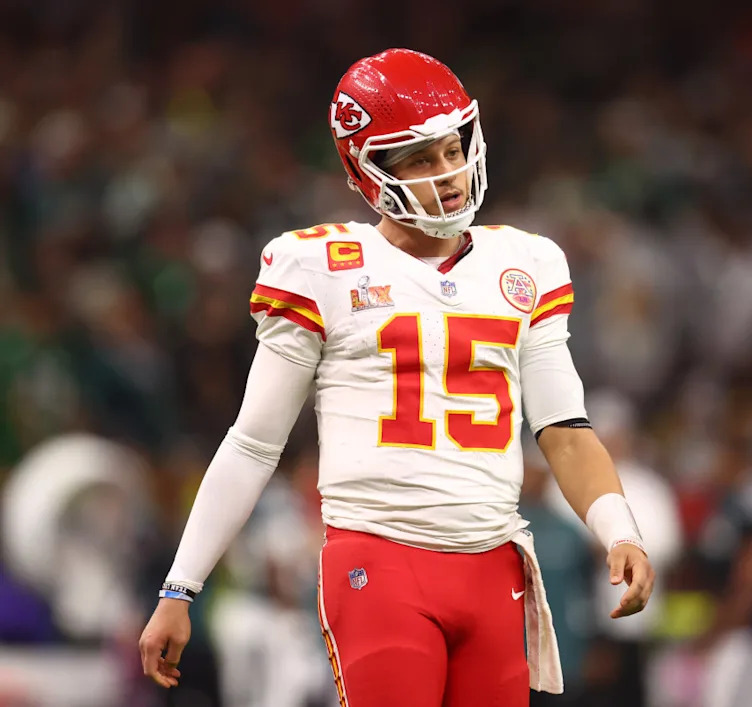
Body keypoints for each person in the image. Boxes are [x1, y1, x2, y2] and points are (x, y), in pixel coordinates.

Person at [138, 48, 655, 707]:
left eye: (451, 149)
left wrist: (620, 530)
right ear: (368, 170)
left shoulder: (526, 263)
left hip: (494, 563)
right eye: (419, 158)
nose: (447, 173)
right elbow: (254, 443)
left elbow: (566, 431)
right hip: (379, 561)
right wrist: (180, 587)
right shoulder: (320, 266)